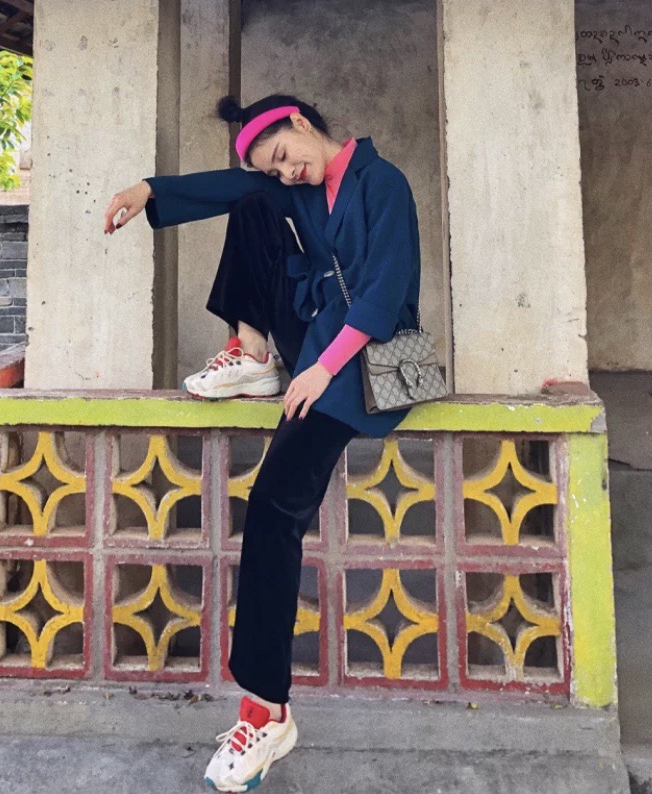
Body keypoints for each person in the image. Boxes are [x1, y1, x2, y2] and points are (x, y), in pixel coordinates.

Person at [103, 93, 423, 793]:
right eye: (274, 168)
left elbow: (383, 290)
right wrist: (147, 191)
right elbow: (234, 186)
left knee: (273, 510)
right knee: (250, 206)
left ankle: (266, 711)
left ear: (302, 124)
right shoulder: (294, 193)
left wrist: (321, 369)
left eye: (283, 156)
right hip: (312, 352)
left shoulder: (381, 182)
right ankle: (251, 352)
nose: (286, 173)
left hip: (364, 364)